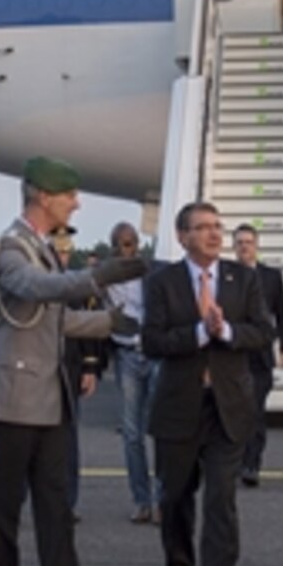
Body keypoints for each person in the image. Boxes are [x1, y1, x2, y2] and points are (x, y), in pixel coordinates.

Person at [0, 156, 147, 566]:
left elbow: (54, 319)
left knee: (55, 509)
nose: (77, 202)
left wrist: (109, 324)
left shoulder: (41, 247)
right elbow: (38, 290)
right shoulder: (11, 249)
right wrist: (99, 278)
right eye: (69, 195)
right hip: (13, 396)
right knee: (4, 505)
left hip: (48, 397)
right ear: (44, 197)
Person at [142, 201, 275, 566]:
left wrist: (227, 332)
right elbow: (152, 341)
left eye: (218, 227)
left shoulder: (244, 279)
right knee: (176, 499)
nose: (215, 234)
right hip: (179, 408)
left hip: (228, 410)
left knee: (221, 502)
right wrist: (201, 332)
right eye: (203, 228)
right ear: (182, 236)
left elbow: (263, 331)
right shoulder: (162, 282)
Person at [232, 224, 283, 487]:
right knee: (234, 412)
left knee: (255, 411)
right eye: (239, 242)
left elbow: (281, 312)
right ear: (234, 247)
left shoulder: (271, 276)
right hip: (233, 354)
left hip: (260, 355)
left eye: (248, 242)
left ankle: (251, 464)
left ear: (256, 245)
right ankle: (234, 460)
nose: (244, 246)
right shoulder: (226, 275)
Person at [107, 221, 160, 524]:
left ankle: (161, 498)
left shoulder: (153, 272)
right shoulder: (104, 278)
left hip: (153, 354)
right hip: (126, 355)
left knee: (161, 429)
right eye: (120, 244)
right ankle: (141, 500)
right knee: (131, 433)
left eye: (130, 243)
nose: (126, 249)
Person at [50, 226, 105, 521]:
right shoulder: (37, 283)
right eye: (57, 251)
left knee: (67, 437)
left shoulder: (78, 285)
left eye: (65, 251)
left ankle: (67, 502)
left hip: (70, 367)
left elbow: (91, 327)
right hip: (40, 369)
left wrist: (90, 367)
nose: (62, 256)